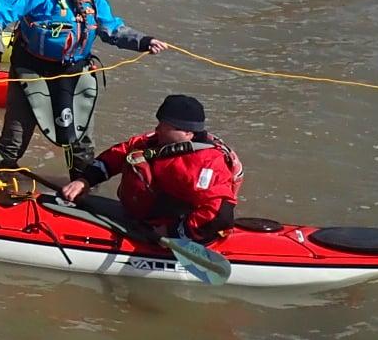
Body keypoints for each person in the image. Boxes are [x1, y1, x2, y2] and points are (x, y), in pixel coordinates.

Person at [0, 0, 169, 168]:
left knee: (80, 145)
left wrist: (143, 41)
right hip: (31, 71)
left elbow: (110, 28)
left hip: (74, 72)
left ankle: (80, 190)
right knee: (13, 141)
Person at [58, 95, 243, 244]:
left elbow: (219, 215)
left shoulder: (207, 164)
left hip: (175, 231)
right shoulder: (153, 143)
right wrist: (84, 180)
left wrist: (171, 231)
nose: (157, 128)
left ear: (188, 133)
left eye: (165, 126)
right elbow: (117, 155)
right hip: (139, 216)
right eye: (160, 123)